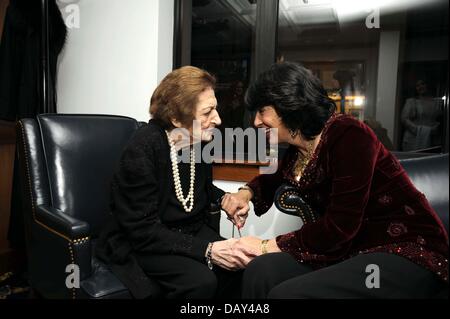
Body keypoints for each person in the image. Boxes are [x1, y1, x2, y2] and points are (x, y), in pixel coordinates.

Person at [222, 62, 449, 298]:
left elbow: (340, 227)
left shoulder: (349, 134)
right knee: (261, 270)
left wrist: (264, 246)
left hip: (404, 248)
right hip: (350, 249)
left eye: (262, 111)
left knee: (288, 294)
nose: (255, 122)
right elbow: (272, 181)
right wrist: (244, 194)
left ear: (288, 104)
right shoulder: (298, 148)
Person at [96, 66, 256, 299]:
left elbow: (201, 188)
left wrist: (225, 199)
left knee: (239, 265)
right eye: (207, 112)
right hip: (145, 240)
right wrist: (208, 250)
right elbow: (143, 230)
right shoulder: (142, 148)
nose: (218, 120)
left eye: (216, 110)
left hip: (188, 230)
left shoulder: (197, 142)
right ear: (175, 117)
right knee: (200, 282)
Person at [401, 79, 442, 151]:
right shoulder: (411, 101)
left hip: (431, 140)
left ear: (428, 85)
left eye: (422, 84)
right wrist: (418, 130)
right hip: (412, 140)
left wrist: (435, 129)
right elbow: (404, 119)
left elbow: (440, 119)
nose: (420, 87)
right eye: (417, 86)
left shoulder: (437, 102)